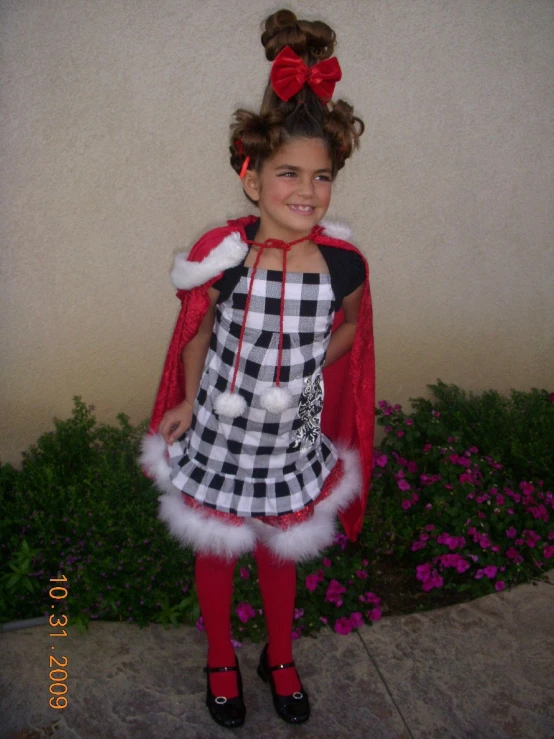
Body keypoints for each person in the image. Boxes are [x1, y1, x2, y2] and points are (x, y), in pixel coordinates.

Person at [141, 8, 375, 730]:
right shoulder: (228, 256)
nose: (306, 190)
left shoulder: (342, 265)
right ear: (252, 178)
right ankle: (219, 654)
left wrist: (308, 367)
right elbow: (198, 324)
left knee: (281, 541)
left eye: (322, 176)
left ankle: (279, 653)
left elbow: (352, 332)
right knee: (219, 541)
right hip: (220, 420)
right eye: (288, 173)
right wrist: (183, 395)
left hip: (290, 432)